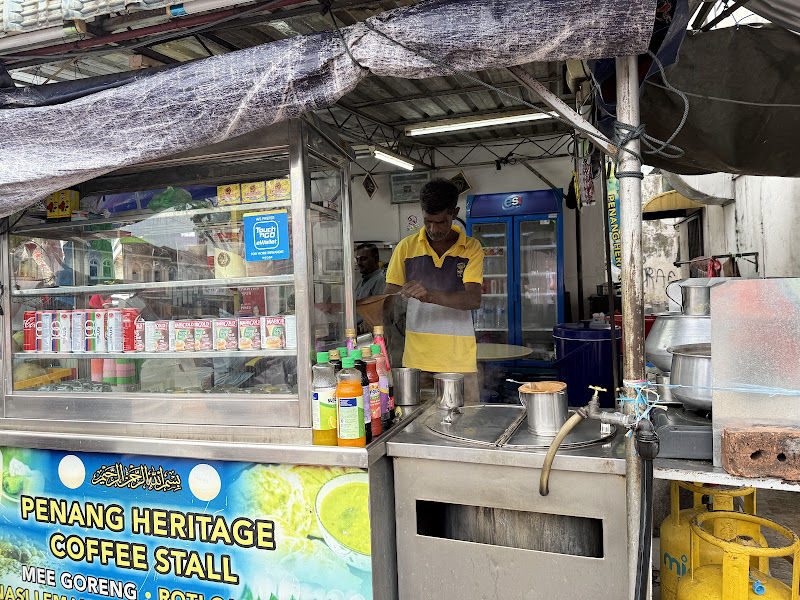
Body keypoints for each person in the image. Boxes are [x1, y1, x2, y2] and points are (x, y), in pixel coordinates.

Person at [384, 178, 483, 403]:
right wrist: (376, 318)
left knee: (466, 425)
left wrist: (429, 295)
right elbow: (389, 296)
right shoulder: (406, 248)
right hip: (417, 362)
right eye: (428, 221)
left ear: (454, 212)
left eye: (440, 222)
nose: (433, 229)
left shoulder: (472, 248)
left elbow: (473, 299)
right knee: (419, 426)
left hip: (460, 362)